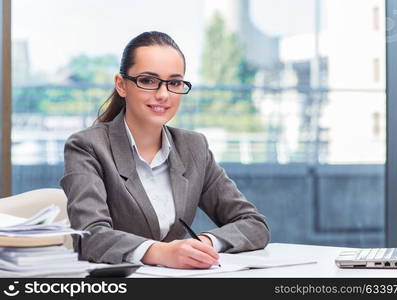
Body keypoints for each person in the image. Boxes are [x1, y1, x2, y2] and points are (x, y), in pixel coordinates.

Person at [60, 31, 270, 269]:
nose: (163, 94)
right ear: (121, 85)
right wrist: (161, 252)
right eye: (148, 81)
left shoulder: (194, 147)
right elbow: (91, 236)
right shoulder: (87, 146)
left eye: (174, 83)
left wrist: (204, 244)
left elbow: (254, 224)